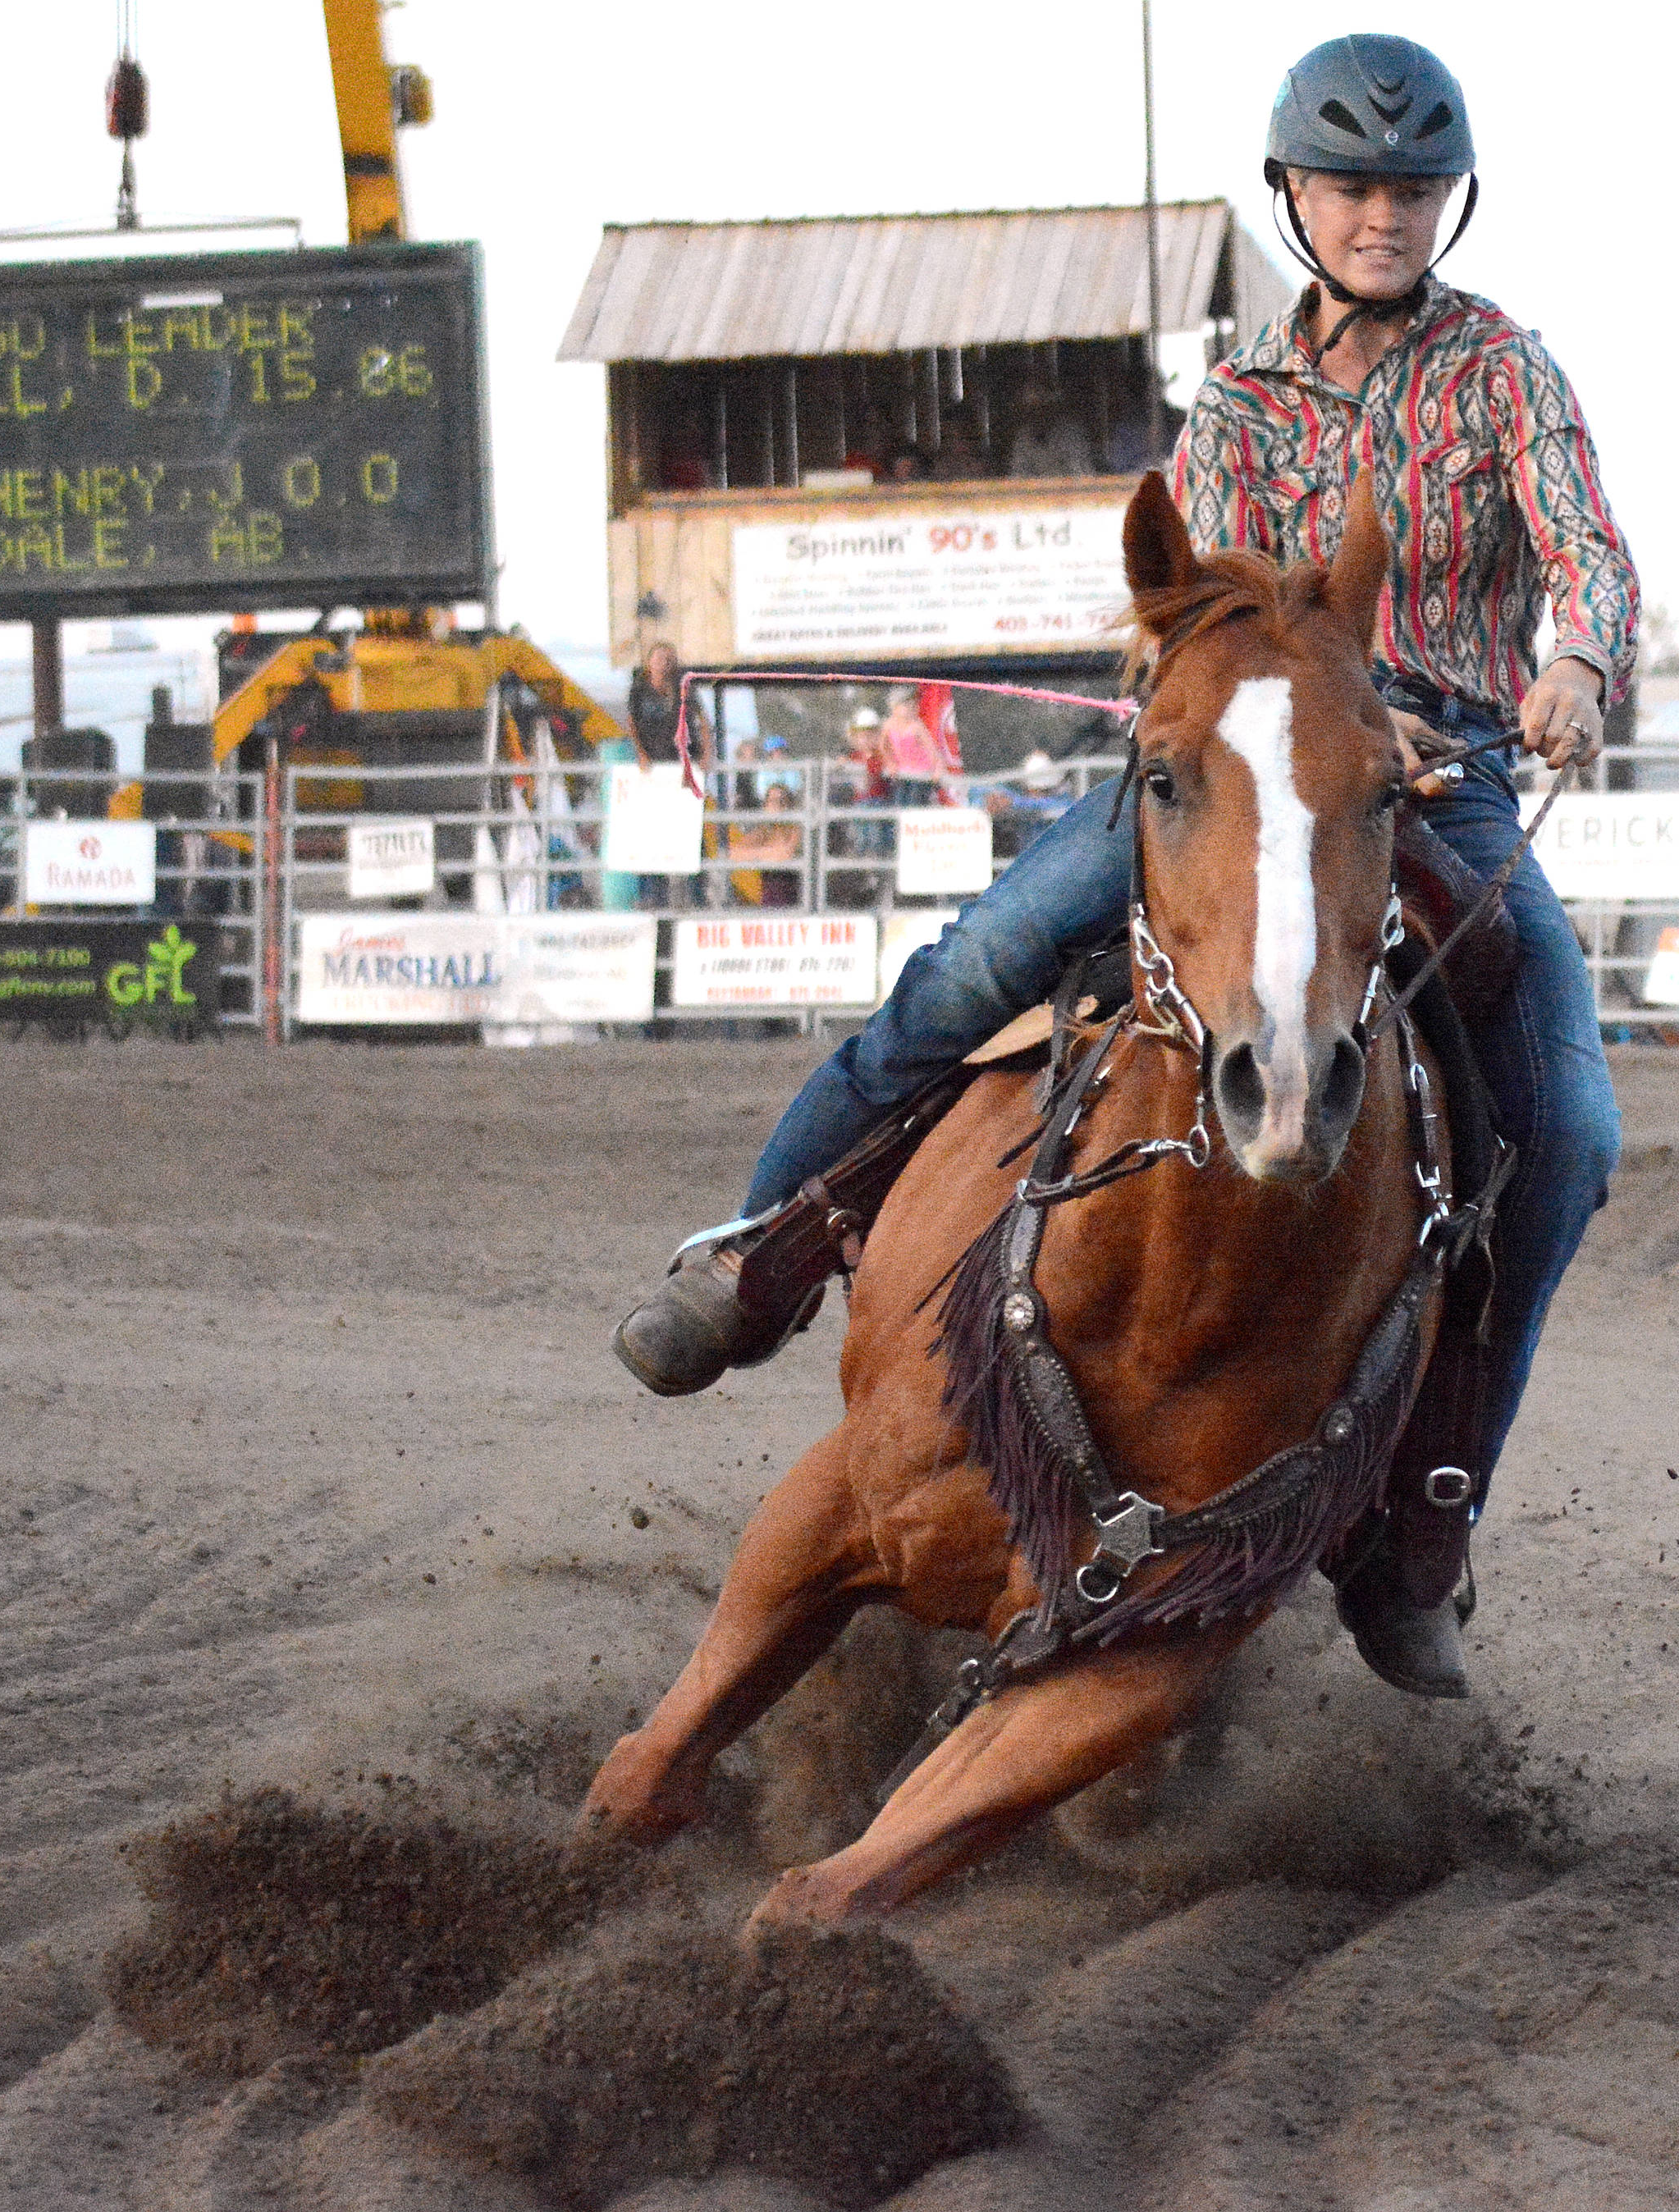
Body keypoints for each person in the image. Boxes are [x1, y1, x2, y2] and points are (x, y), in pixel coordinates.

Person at [612, 35, 1634, 1704]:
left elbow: (1588, 553)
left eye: (1411, 186)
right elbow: (1200, 614)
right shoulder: (1230, 405)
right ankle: (765, 1248)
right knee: (968, 971)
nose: (1384, 213)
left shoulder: (1504, 372)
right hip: (1229, 775)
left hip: (1422, 786)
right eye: (1353, 183)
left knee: (1570, 1130)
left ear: (1449, 199)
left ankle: (1422, 1522)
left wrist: (1578, 666)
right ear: (1296, 195)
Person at [627, 641, 712, 909]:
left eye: (666, 658)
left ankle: (697, 894)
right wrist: (640, 753)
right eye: (657, 658)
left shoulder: (684, 687)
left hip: (681, 762)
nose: (661, 663)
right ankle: (653, 895)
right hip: (654, 767)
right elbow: (631, 723)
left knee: (689, 828)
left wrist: (706, 755)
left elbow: (701, 720)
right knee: (650, 831)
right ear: (649, 662)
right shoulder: (639, 690)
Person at [1006, 379, 1095, 478]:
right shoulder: (1023, 438)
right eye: (1032, 409)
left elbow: (1078, 475)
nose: (1037, 414)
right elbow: (1018, 476)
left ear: (1052, 408)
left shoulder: (1070, 435)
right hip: (1034, 492)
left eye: (1042, 407)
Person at [879, 687, 941, 806]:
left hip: (921, 774)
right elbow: (883, 746)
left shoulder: (917, 726)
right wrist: (890, 763)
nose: (912, 707)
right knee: (898, 804)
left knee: (914, 805)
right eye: (906, 704)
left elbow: (932, 749)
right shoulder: (889, 725)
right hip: (902, 773)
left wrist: (937, 769)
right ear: (895, 707)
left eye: (914, 703)